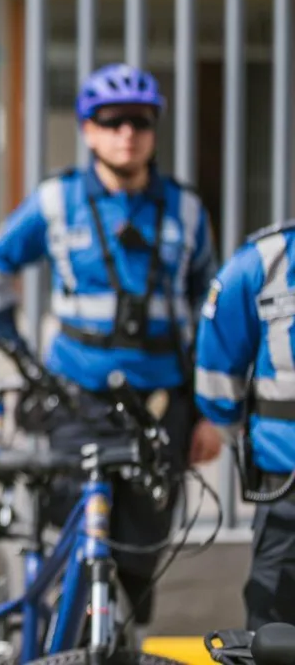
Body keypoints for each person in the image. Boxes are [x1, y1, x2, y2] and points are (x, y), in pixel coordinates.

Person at [0, 63, 222, 628]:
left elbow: (213, 312)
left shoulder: (184, 209)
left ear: (154, 130)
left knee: (140, 551)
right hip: (77, 399)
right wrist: (18, 354)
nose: (125, 132)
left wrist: (210, 412)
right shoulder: (58, 201)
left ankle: (115, 641)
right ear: (88, 129)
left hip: (161, 408)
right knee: (69, 539)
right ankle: (52, 636)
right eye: (111, 121)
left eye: (139, 120)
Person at [195, 218, 295, 629]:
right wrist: (224, 424)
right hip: (286, 486)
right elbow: (218, 362)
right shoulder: (264, 260)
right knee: (274, 626)